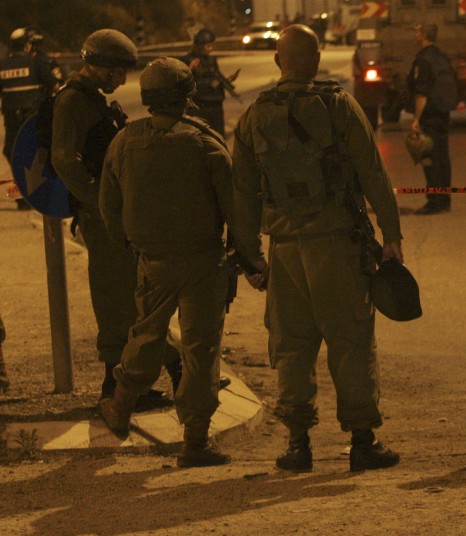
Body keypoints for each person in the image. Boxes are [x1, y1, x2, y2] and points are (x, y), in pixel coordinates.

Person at [232, 24, 404, 473]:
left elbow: (242, 194)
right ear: (317, 59)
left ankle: (297, 444)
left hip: (285, 251)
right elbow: (373, 173)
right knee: (350, 342)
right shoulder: (338, 105)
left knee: (291, 346)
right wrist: (391, 235)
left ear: (278, 61)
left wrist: (250, 257)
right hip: (337, 247)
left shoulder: (254, 116)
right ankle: (362, 441)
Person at [97, 57, 245, 466]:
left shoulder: (123, 142)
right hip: (204, 263)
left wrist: (132, 247)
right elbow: (236, 210)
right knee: (201, 350)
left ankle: (120, 408)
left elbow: (109, 208)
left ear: (146, 97)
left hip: (153, 261)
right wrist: (249, 259)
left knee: (146, 335)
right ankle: (195, 442)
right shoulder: (206, 143)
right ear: (187, 97)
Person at [51, 29, 181, 405]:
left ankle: (142, 380)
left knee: (132, 296)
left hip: (113, 215)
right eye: (119, 71)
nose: (123, 80)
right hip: (101, 219)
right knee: (115, 299)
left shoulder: (91, 99)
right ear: (102, 66)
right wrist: (99, 202)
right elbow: (64, 159)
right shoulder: (73, 101)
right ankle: (117, 387)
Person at [1, 28, 62, 209]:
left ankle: (23, 192)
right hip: (32, 119)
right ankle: (37, 190)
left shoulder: (2, 65)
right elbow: (54, 86)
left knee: (11, 151)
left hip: (11, 119)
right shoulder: (35, 62)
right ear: (27, 46)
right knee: (37, 152)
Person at [408, 23, 456, 215]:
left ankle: (434, 201)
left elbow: (422, 93)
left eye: (417, 31)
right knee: (443, 157)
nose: (415, 34)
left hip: (429, 116)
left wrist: (416, 119)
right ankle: (445, 199)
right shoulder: (442, 57)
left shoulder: (423, 60)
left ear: (422, 35)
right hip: (443, 113)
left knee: (429, 158)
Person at [180, 29, 238, 136]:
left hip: (215, 104)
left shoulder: (210, 60)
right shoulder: (187, 59)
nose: (211, 49)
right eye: (208, 46)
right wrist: (190, 68)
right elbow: (181, 82)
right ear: (200, 46)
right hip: (199, 105)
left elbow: (217, 76)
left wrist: (227, 81)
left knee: (218, 136)